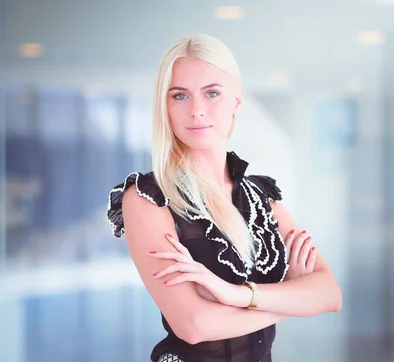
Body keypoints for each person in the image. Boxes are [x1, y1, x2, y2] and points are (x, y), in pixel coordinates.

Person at [106, 34, 342, 362]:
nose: (197, 111)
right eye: (180, 96)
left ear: (237, 99)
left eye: (212, 93)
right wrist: (290, 300)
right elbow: (194, 325)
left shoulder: (262, 196)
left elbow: (329, 294)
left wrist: (233, 295)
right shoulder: (147, 198)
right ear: (165, 105)